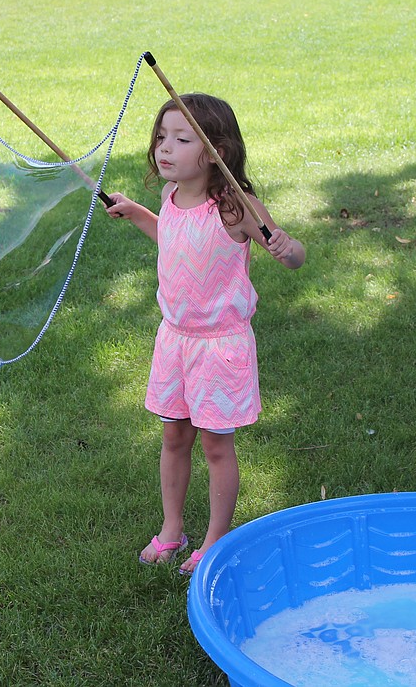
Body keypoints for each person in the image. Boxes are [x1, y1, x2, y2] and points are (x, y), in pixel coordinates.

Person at [106, 93, 305, 575]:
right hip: (174, 339)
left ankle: (216, 539)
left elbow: (295, 257)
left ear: (217, 148)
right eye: (161, 137)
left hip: (220, 346)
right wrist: (137, 213)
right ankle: (172, 529)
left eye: (181, 138)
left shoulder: (234, 208)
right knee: (173, 437)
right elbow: (175, 239)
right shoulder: (170, 199)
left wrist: (285, 246)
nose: (164, 149)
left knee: (216, 445)